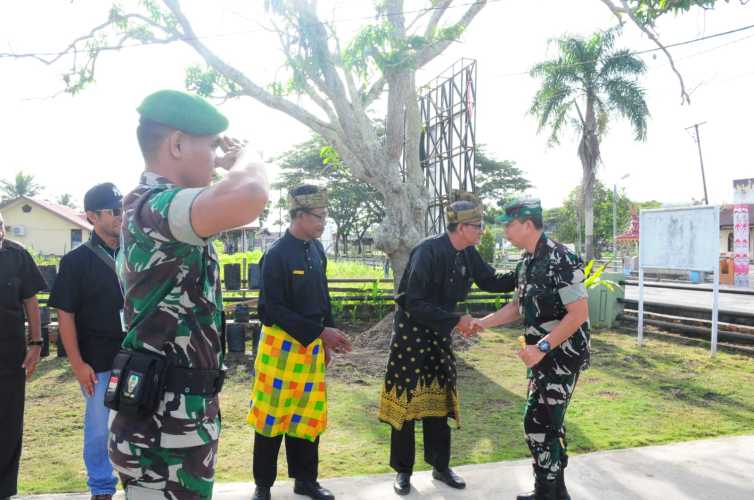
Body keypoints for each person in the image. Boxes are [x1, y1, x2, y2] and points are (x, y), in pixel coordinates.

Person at [108, 89, 269, 500]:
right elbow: (249, 195)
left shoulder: (154, 210)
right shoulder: (156, 208)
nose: (217, 159)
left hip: (170, 419)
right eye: (211, 145)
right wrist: (247, 155)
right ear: (177, 144)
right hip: (164, 431)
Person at [378, 196, 516, 496]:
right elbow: (412, 301)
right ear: (461, 227)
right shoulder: (427, 252)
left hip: (439, 334)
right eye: (478, 226)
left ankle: (440, 467)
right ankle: (403, 471)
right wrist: (456, 319)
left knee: (439, 401)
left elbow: (492, 280)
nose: (482, 231)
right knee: (406, 401)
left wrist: (529, 268)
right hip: (411, 336)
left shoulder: (468, 253)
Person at [475, 199, 590, 500]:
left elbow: (578, 314)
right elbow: (517, 307)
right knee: (550, 423)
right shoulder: (526, 263)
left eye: (509, 225)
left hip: (561, 357)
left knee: (536, 423)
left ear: (528, 224)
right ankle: (556, 490)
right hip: (540, 358)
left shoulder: (562, 258)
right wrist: (481, 324)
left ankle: (546, 491)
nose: (505, 231)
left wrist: (541, 347)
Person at [248, 184, 352, 500]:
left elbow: (323, 297)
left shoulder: (316, 250)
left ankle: (306, 481)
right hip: (278, 350)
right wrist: (320, 334)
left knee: (306, 418)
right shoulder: (277, 254)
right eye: (319, 217)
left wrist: (327, 339)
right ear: (300, 215)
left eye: (325, 216)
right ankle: (263, 486)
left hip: (310, 348)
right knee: (270, 418)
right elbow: (271, 308)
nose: (323, 223)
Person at [48, 183, 126, 500]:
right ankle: (102, 487)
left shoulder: (137, 254)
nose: (122, 217)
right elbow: (64, 316)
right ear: (92, 216)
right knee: (98, 430)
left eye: (124, 210)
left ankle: (138, 483)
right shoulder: (76, 262)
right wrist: (78, 364)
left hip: (138, 357)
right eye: (115, 211)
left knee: (139, 426)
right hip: (98, 361)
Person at [0, 211, 47, 500]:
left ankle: (4, 490)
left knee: (8, 421)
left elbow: (31, 301)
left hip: (9, 356)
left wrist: (37, 342)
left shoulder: (17, 256)